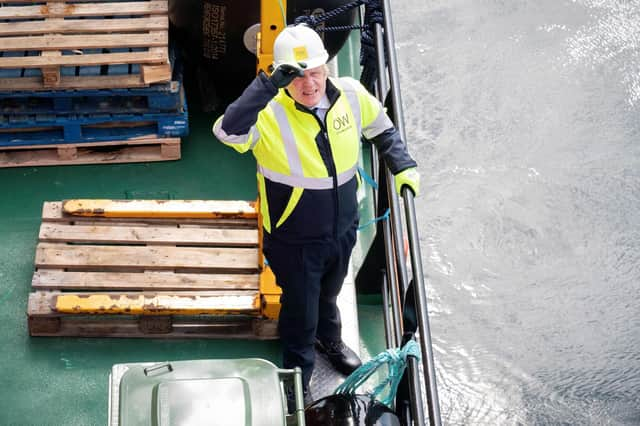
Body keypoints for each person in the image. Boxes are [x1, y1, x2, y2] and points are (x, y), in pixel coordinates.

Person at [213, 24, 420, 400]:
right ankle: (296, 375)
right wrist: (267, 85)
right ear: (282, 79)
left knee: (330, 293)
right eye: (296, 76)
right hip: (295, 239)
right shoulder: (268, 114)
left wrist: (403, 167)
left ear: (326, 67)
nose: (309, 84)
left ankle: (331, 341)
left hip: (342, 229)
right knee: (300, 309)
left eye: (315, 72)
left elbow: (382, 129)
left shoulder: (352, 96)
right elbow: (227, 132)